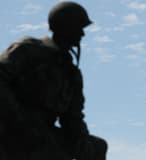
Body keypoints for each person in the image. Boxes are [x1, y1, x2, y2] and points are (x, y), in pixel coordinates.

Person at [0, 1, 107, 160]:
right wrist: (19, 120)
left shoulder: (71, 73)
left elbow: (73, 118)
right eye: (78, 28)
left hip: (41, 134)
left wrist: (82, 142)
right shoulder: (27, 49)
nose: (82, 34)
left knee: (96, 146)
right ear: (65, 27)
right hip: (10, 127)